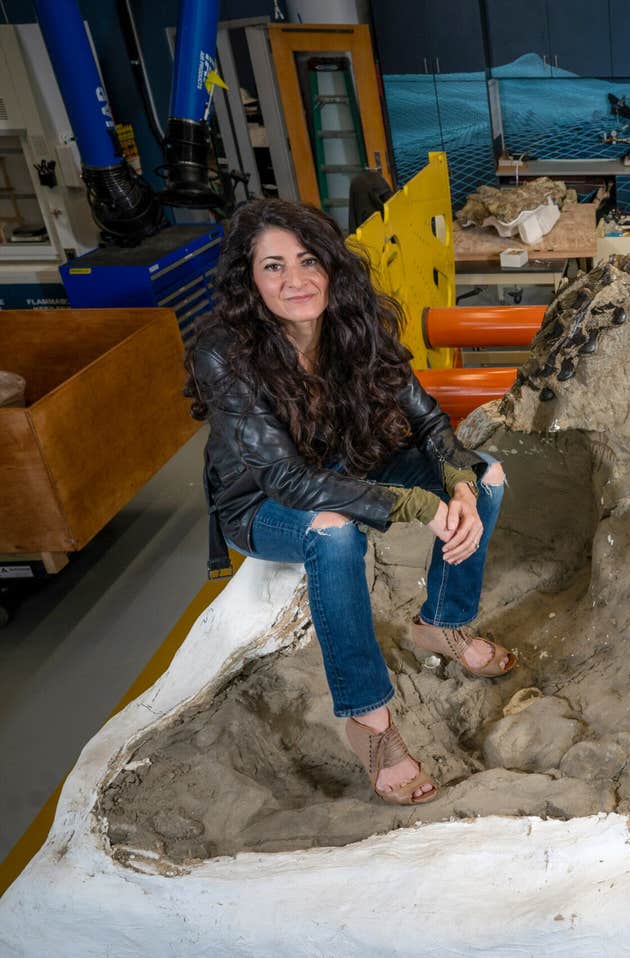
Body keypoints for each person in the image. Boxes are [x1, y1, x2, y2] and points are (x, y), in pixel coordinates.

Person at [185, 198, 516, 806]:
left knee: (487, 474)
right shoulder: (223, 353)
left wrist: (458, 484)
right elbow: (287, 479)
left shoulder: (353, 323)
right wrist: (417, 507)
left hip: (349, 465)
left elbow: (427, 420)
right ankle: (369, 720)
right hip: (260, 500)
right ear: (249, 280)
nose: (296, 280)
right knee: (334, 530)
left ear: (331, 265)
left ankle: (441, 624)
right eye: (274, 266)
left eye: (308, 260)